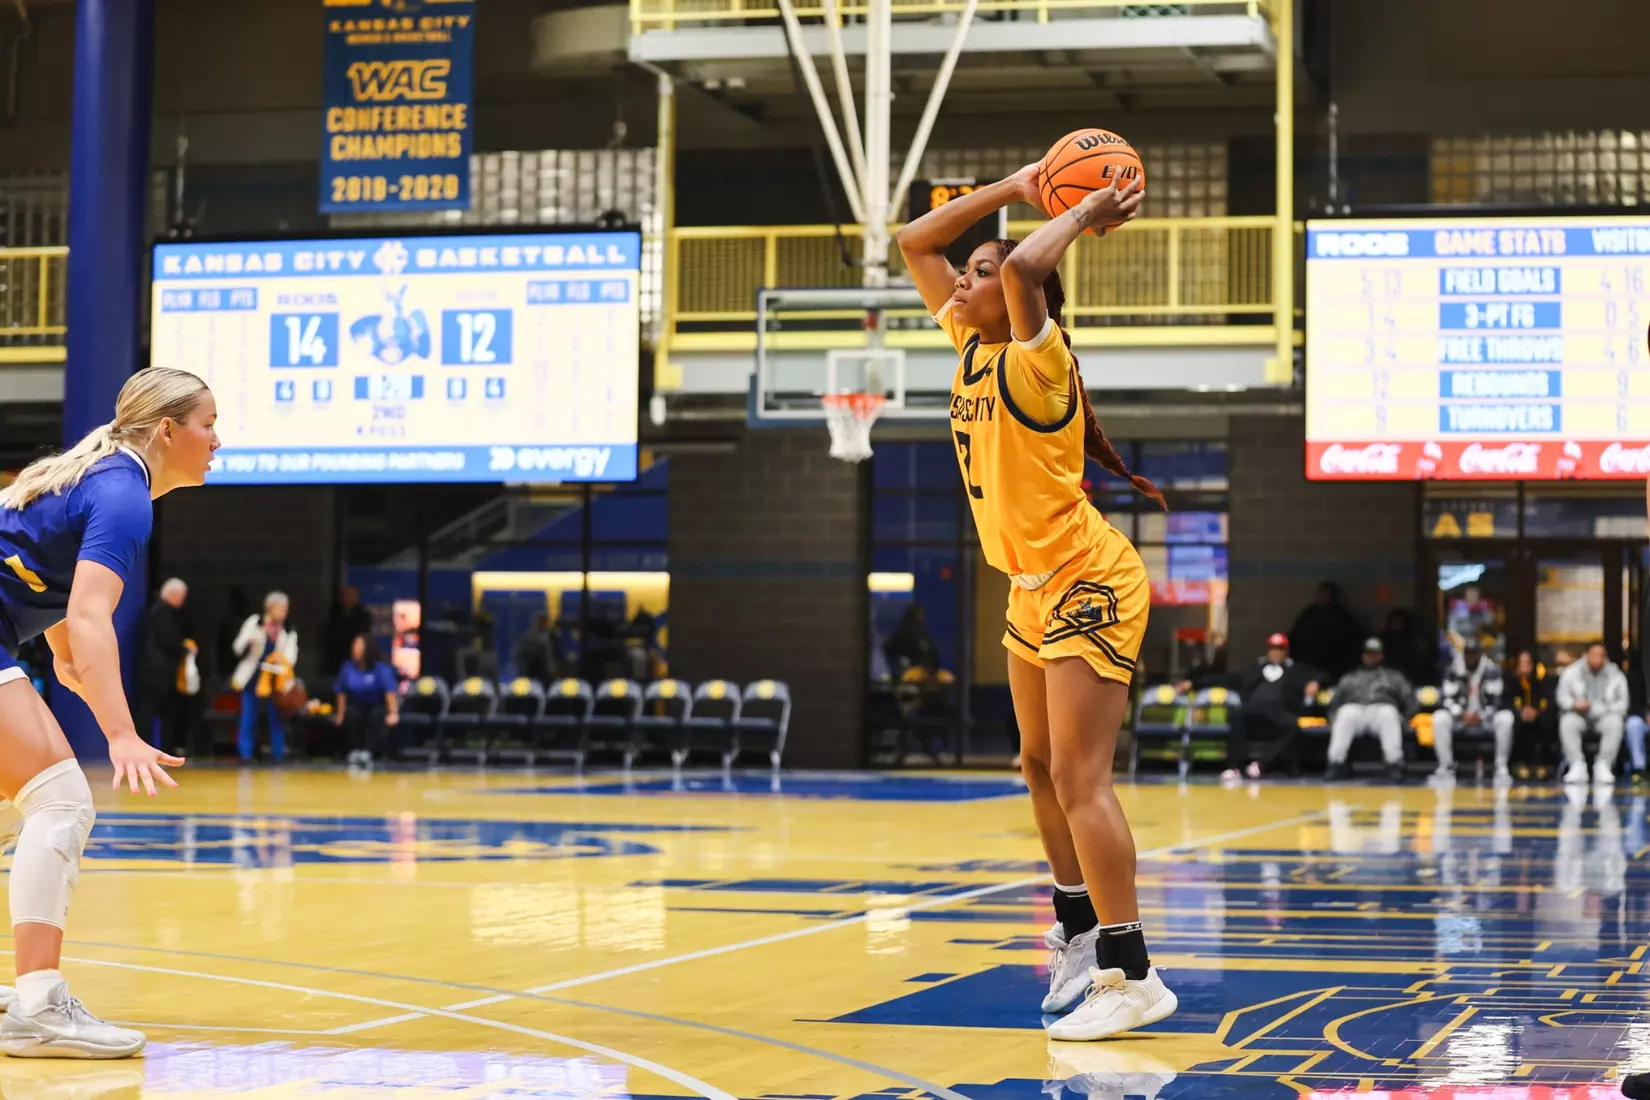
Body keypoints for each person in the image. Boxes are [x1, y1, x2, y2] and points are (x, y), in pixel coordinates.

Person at [898, 165, 1175, 1042]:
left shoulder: (1036, 355)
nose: (970, 279)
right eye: (972, 272)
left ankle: (1134, 975)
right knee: (1035, 764)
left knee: (1080, 776)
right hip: (1030, 587)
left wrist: (1083, 208)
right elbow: (916, 240)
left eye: (982, 273)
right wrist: (1021, 181)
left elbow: (1020, 275)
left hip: (1088, 577)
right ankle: (1081, 928)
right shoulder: (969, 345)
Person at [0, 367, 214, 1057]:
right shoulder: (125, 496)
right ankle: (35, 1005)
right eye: (208, 424)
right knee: (62, 803)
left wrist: (62, 651)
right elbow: (91, 618)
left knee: (34, 805)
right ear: (167, 431)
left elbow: (52, 596)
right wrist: (120, 734)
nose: (218, 440)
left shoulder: (100, 477)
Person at [1222, 633, 1321, 781]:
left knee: (1293, 726)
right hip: (1254, 712)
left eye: (1280, 649)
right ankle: (1235, 767)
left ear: (1286, 651)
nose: (1276, 652)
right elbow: (1230, 679)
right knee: (1237, 715)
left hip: (1280, 715)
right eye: (1273, 648)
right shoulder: (1255, 668)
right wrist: (1193, 683)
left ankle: (1262, 765)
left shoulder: (1296, 670)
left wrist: (1315, 682)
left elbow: (1322, 674)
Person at [1324, 638, 1414, 783]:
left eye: (1375, 653)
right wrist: (1332, 718)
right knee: (1345, 713)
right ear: (1363, 655)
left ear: (1381, 655)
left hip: (1380, 711)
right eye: (1368, 653)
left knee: (1389, 713)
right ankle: (1336, 763)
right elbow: (1335, 702)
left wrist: (1405, 718)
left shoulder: (1392, 676)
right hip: (1357, 711)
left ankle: (1394, 763)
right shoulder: (1351, 677)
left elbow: (1410, 699)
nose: (1371, 657)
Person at [231, 591, 299, 763]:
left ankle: (278, 754)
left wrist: (281, 658)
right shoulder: (255, 622)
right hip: (252, 678)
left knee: (276, 717)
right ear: (270, 608)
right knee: (249, 716)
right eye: (281, 608)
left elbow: (292, 656)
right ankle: (245, 754)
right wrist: (249, 642)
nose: (284, 612)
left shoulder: (289, 629)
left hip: (276, 680)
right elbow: (237, 648)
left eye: (286, 609)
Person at [1430, 642, 1511, 783]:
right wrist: (1461, 714)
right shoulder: (1454, 670)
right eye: (1468, 653)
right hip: (1460, 719)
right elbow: (1448, 699)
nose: (1471, 657)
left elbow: (1495, 701)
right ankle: (1445, 767)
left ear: (1480, 654)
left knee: (1506, 718)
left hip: (1486, 719)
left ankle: (1501, 767)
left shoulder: (1492, 670)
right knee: (1439, 717)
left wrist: (1480, 716)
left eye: (1474, 653)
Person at [1556, 641, 1629, 786]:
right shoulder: (1572, 672)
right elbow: (1561, 698)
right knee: (1567, 721)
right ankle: (1576, 765)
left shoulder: (1616, 675)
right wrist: (1574, 704)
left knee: (1615, 722)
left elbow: (1623, 704)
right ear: (1586, 655)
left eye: (1601, 655)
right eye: (1594, 654)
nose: (1597, 658)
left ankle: (1604, 765)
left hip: (1604, 716)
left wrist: (1605, 709)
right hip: (1579, 715)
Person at [134, 577, 192, 753]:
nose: (182, 602)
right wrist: (185, 649)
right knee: (153, 711)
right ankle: (148, 749)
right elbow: (168, 639)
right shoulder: (163, 612)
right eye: (182, 597)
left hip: (156, 670)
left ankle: (158, 749)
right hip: (158, 671)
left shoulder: (156, 610)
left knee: (160, 711)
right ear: (174, 595)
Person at [334, 634, 399, 768]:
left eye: (358, 646)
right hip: (356, 704)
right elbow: (341, 692)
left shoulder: (381, 669)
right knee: (351, 714)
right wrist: (340, 715)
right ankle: (355, 751)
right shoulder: (347, 668)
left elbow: (389, 693)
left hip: (376, 705)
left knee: (378, 715)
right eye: (354, 645)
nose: (354, 649)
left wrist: (393, 712)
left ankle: (368, 752)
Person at [1288, 582, 1363, 681]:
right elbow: (1295, 640)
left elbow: (1353, 647)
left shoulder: (1344, 619)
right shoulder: (1308, 616)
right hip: (1308, 669)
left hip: (1335, 670)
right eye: (1322, 594)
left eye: (1328, 595)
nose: (1325, 598)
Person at [1505, 649, 1555, 781]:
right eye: (1521, 663)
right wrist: (1520, 712)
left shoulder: (1542, 681)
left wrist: (1536, 712)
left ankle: (1543, 764)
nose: (1525, 666)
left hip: (1538, 718)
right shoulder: (1510, 681)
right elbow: (1506, 702)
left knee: (1547, 721)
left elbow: (1549, 703)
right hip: (1519, 718)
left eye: (1528, 663)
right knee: (1513, 723)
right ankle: (1518, 763)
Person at [323, 584, 373, 673]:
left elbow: (362, 633)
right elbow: (330, 632)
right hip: (336, 656)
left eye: (352, 595)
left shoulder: (363, 614)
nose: (349, 598)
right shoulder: (334, 612)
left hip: (355, 658)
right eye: (346, 595)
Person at [883, 604, 940, 680]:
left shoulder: (922, 633)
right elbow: (889, 648)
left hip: (923, 674)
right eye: (918, 614)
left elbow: (931, 651)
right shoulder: (904, 632)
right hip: (908, 674)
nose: (921, 617)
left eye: (921, 614)